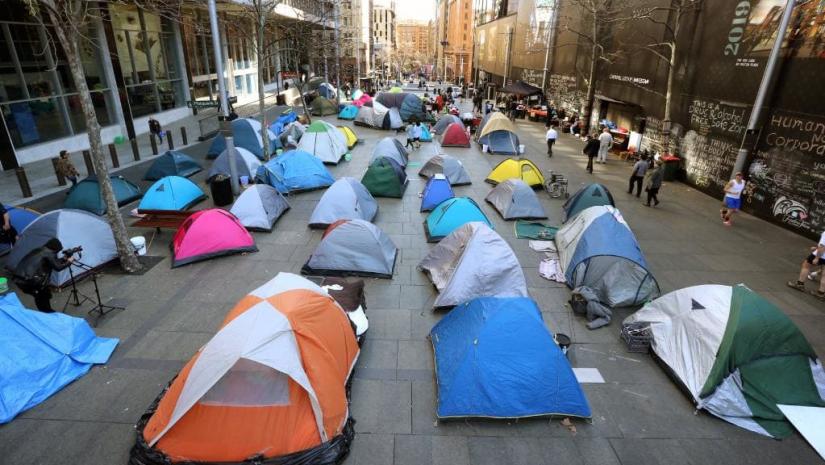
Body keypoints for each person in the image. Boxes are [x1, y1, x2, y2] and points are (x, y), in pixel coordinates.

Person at [12, 238, 74, 312]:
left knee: (42, 295)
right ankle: (48, 313)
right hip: (30, 281)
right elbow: (58, 267)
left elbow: (52, 262)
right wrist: (69, 262)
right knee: (42, 296)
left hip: (19, 278)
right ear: (55, 249)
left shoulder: (40, 250)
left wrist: (64, 259)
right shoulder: (49, 253)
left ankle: (46, 311)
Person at [787, 230, 825, 300]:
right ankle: (821, 294)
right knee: (824, 275)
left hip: (822, 255)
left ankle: (800, 284)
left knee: (806, 266)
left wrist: (817, 258)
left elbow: (822, 246)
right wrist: (817, 248)